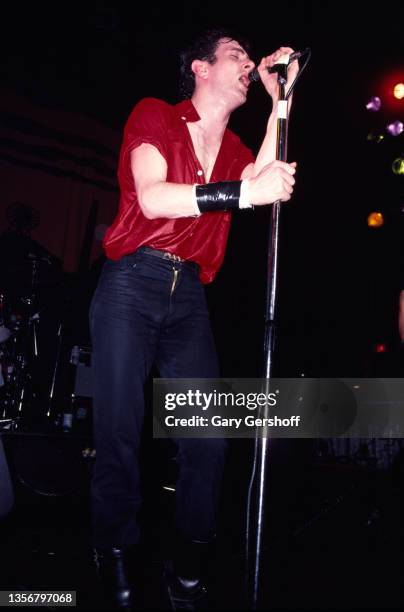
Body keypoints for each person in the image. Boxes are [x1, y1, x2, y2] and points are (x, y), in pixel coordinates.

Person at [89, 28, 298, 610]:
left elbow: (263, 172)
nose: (247, 62)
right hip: (132, 281)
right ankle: (114, 549)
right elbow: (153, 198)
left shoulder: (232, 148)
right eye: (237, 55)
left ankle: (188, 562)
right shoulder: (156, 114)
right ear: (201, 69)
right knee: (120, 434)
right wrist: (241, 194)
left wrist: (280, 97)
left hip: (188, 300)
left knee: (208, 436)